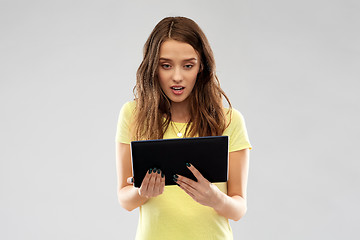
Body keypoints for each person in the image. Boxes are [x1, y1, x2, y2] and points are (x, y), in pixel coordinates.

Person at [115, 16, 252, 240]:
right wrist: (142, 193)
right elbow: (124, 198)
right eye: (166, 65)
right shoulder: (133, 115)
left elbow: (239, 208)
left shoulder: (229, 120)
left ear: (201, 67)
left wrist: (215, 199)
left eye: (188, 65)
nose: (177, 77)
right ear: (153, 67)